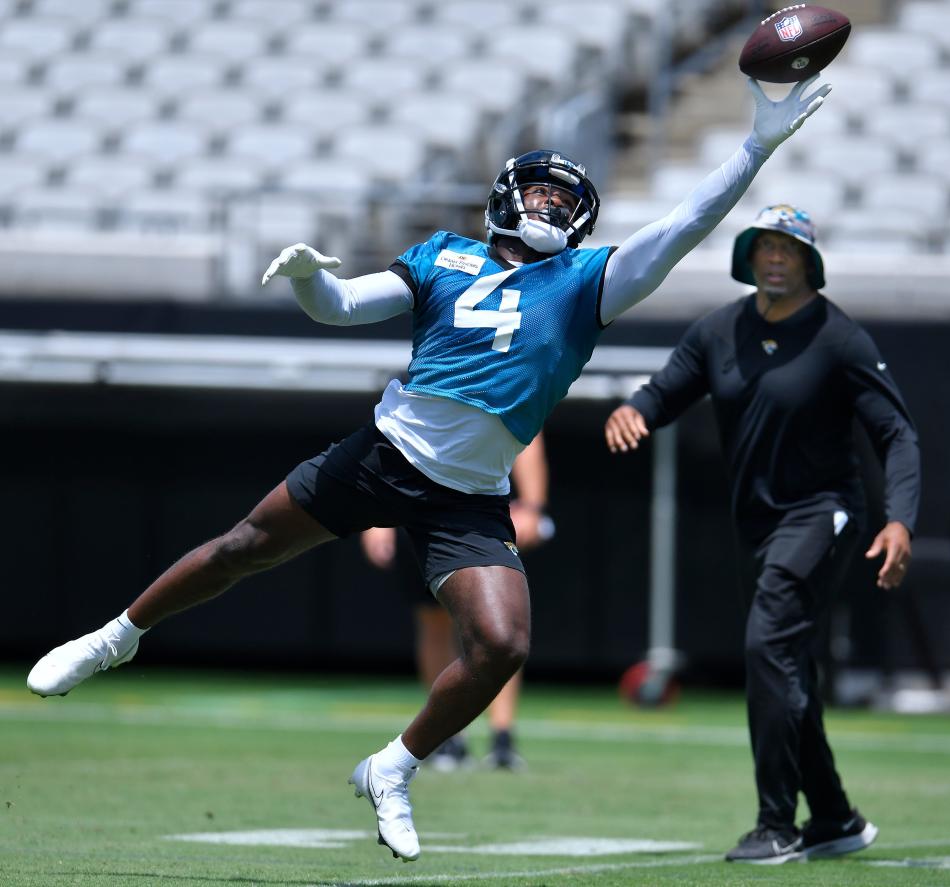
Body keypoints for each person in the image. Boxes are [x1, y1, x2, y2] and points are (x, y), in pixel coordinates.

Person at [26, 76, 831, 864]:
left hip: (470, 493)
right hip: (384, 454)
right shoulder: (441, 256)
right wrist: (311, 275)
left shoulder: (589, 283)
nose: (552, 206)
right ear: (508, 197)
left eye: (564, 200)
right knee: (244, 546)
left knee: (504, 642)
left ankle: (394, 765)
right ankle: (113, 638)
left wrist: (757, 146)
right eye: (541, 194)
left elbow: (685, 222)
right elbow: (339, 307)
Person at [604, 204, 920, 864]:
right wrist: (634, 409)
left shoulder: (840, 338)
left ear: (810, 261)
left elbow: (896, 433)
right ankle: (833, 815)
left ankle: (776, 822)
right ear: (748, 258)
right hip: (757, 524)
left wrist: (900, 519)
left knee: (766, 646)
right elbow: (665, 391)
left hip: (823, 514)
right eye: (764, 247)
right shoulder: (718, 331)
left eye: (789, 248)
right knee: (786, 666)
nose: (775, 258)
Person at [361, 432, 552, 771]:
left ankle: (502, 737)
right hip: (422, 509)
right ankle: (449, 738)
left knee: (502, 627)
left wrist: (533, 508)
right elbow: (392, 436)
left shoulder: (499, 379)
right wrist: (375, 518)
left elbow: (528, 434)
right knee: (434, 621)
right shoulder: (417, 380)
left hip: (483, 513)